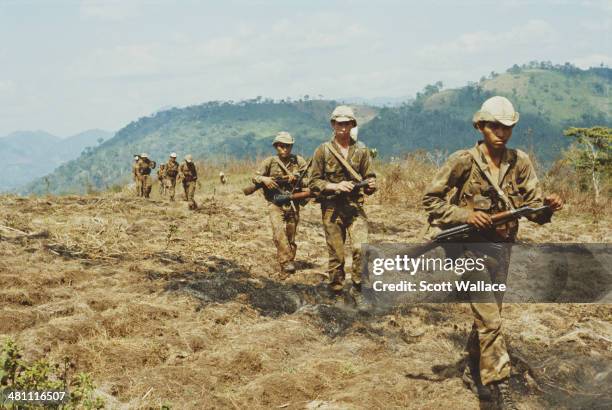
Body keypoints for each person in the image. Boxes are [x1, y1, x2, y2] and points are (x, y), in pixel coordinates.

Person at [422, 96, 563, 409]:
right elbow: (431, 202)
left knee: (488, 318)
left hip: (501, 249)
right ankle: (500, 390)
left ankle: (474, 370)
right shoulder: (463, 161)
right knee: (490, 319)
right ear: (481, 126)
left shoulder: (520, 162)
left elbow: (534, 211)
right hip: (468, 248)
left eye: (507, 127)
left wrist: (549, 207)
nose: (501, 132)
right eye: (494, 126)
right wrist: (465, 215)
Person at [308, 106, 376, 306]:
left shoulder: (362, 150)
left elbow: (370, 175)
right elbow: (314, 182)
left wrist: (371, 185)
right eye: (339, 123)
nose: (343, 128)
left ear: (352, 125)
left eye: (347, 124)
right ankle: (337, 291)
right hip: (332, 209)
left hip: (355, 207)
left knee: (361, 248)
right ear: (333, 125)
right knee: (336, 254)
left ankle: (358, 288)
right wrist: (335, 185)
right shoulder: (323, 151)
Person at [253, 131, 308, 277]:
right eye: (281, 146)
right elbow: (255, 177)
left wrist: (296, 179)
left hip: (292, 202)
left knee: (291, 236)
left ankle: (289, 261)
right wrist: (264, 180)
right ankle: (285, 262)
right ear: (276, 146)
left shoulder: (299, 161)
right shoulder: (269, 162)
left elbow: (310, 180)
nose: (284, 149)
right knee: (278, 232)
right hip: (275, 202)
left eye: (287, 146)